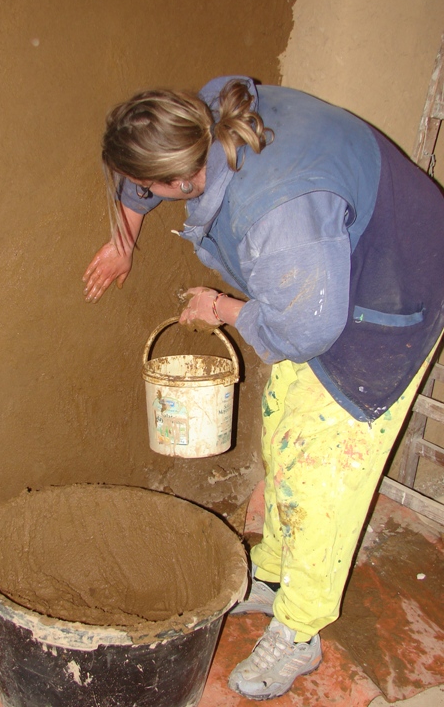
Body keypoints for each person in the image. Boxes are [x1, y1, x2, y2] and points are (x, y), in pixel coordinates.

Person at [83, 75, 444, 701]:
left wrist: (225, 307)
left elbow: (306, 328)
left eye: (152, 191)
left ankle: (299, 630)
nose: (144, 194)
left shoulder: (277, 208)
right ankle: (274, 577)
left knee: (324, 474)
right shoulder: (204, 116)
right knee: (284, 432)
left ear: (182, 179)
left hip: (394, 284)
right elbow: (135, 176)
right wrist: (124, 238)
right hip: (327, 271)